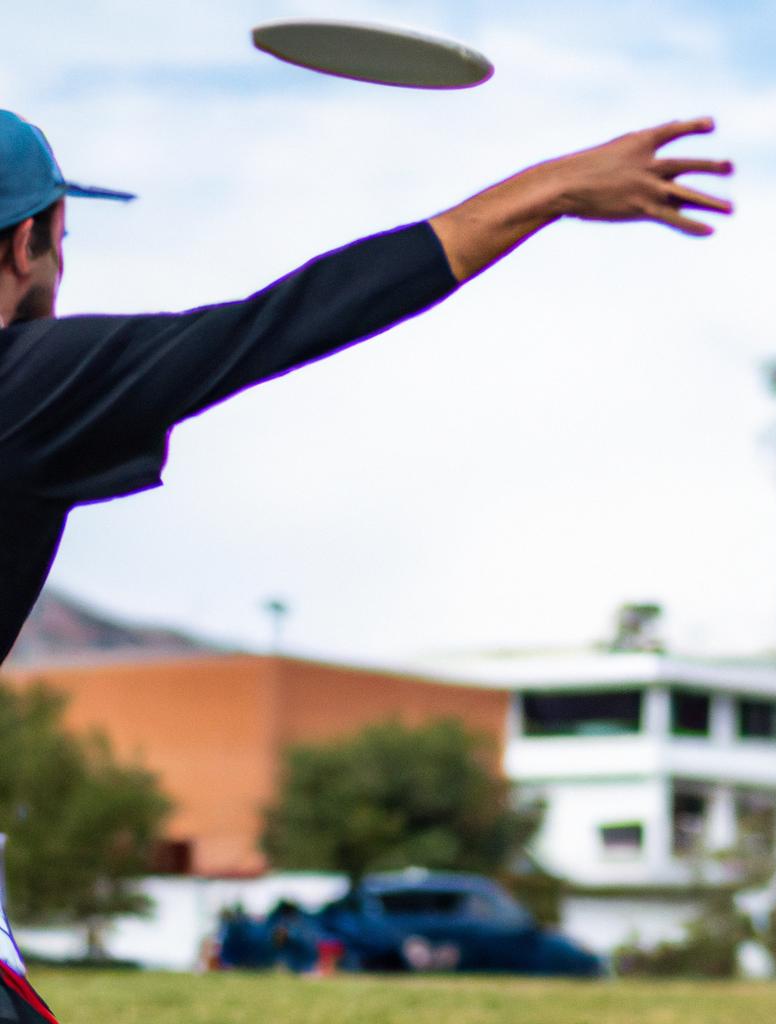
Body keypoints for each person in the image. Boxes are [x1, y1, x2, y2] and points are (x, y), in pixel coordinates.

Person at [0, 108, 731, 1020]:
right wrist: (552, 189)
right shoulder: (28, 387)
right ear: (28, 240)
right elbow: (291, 318)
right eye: (67, 234)